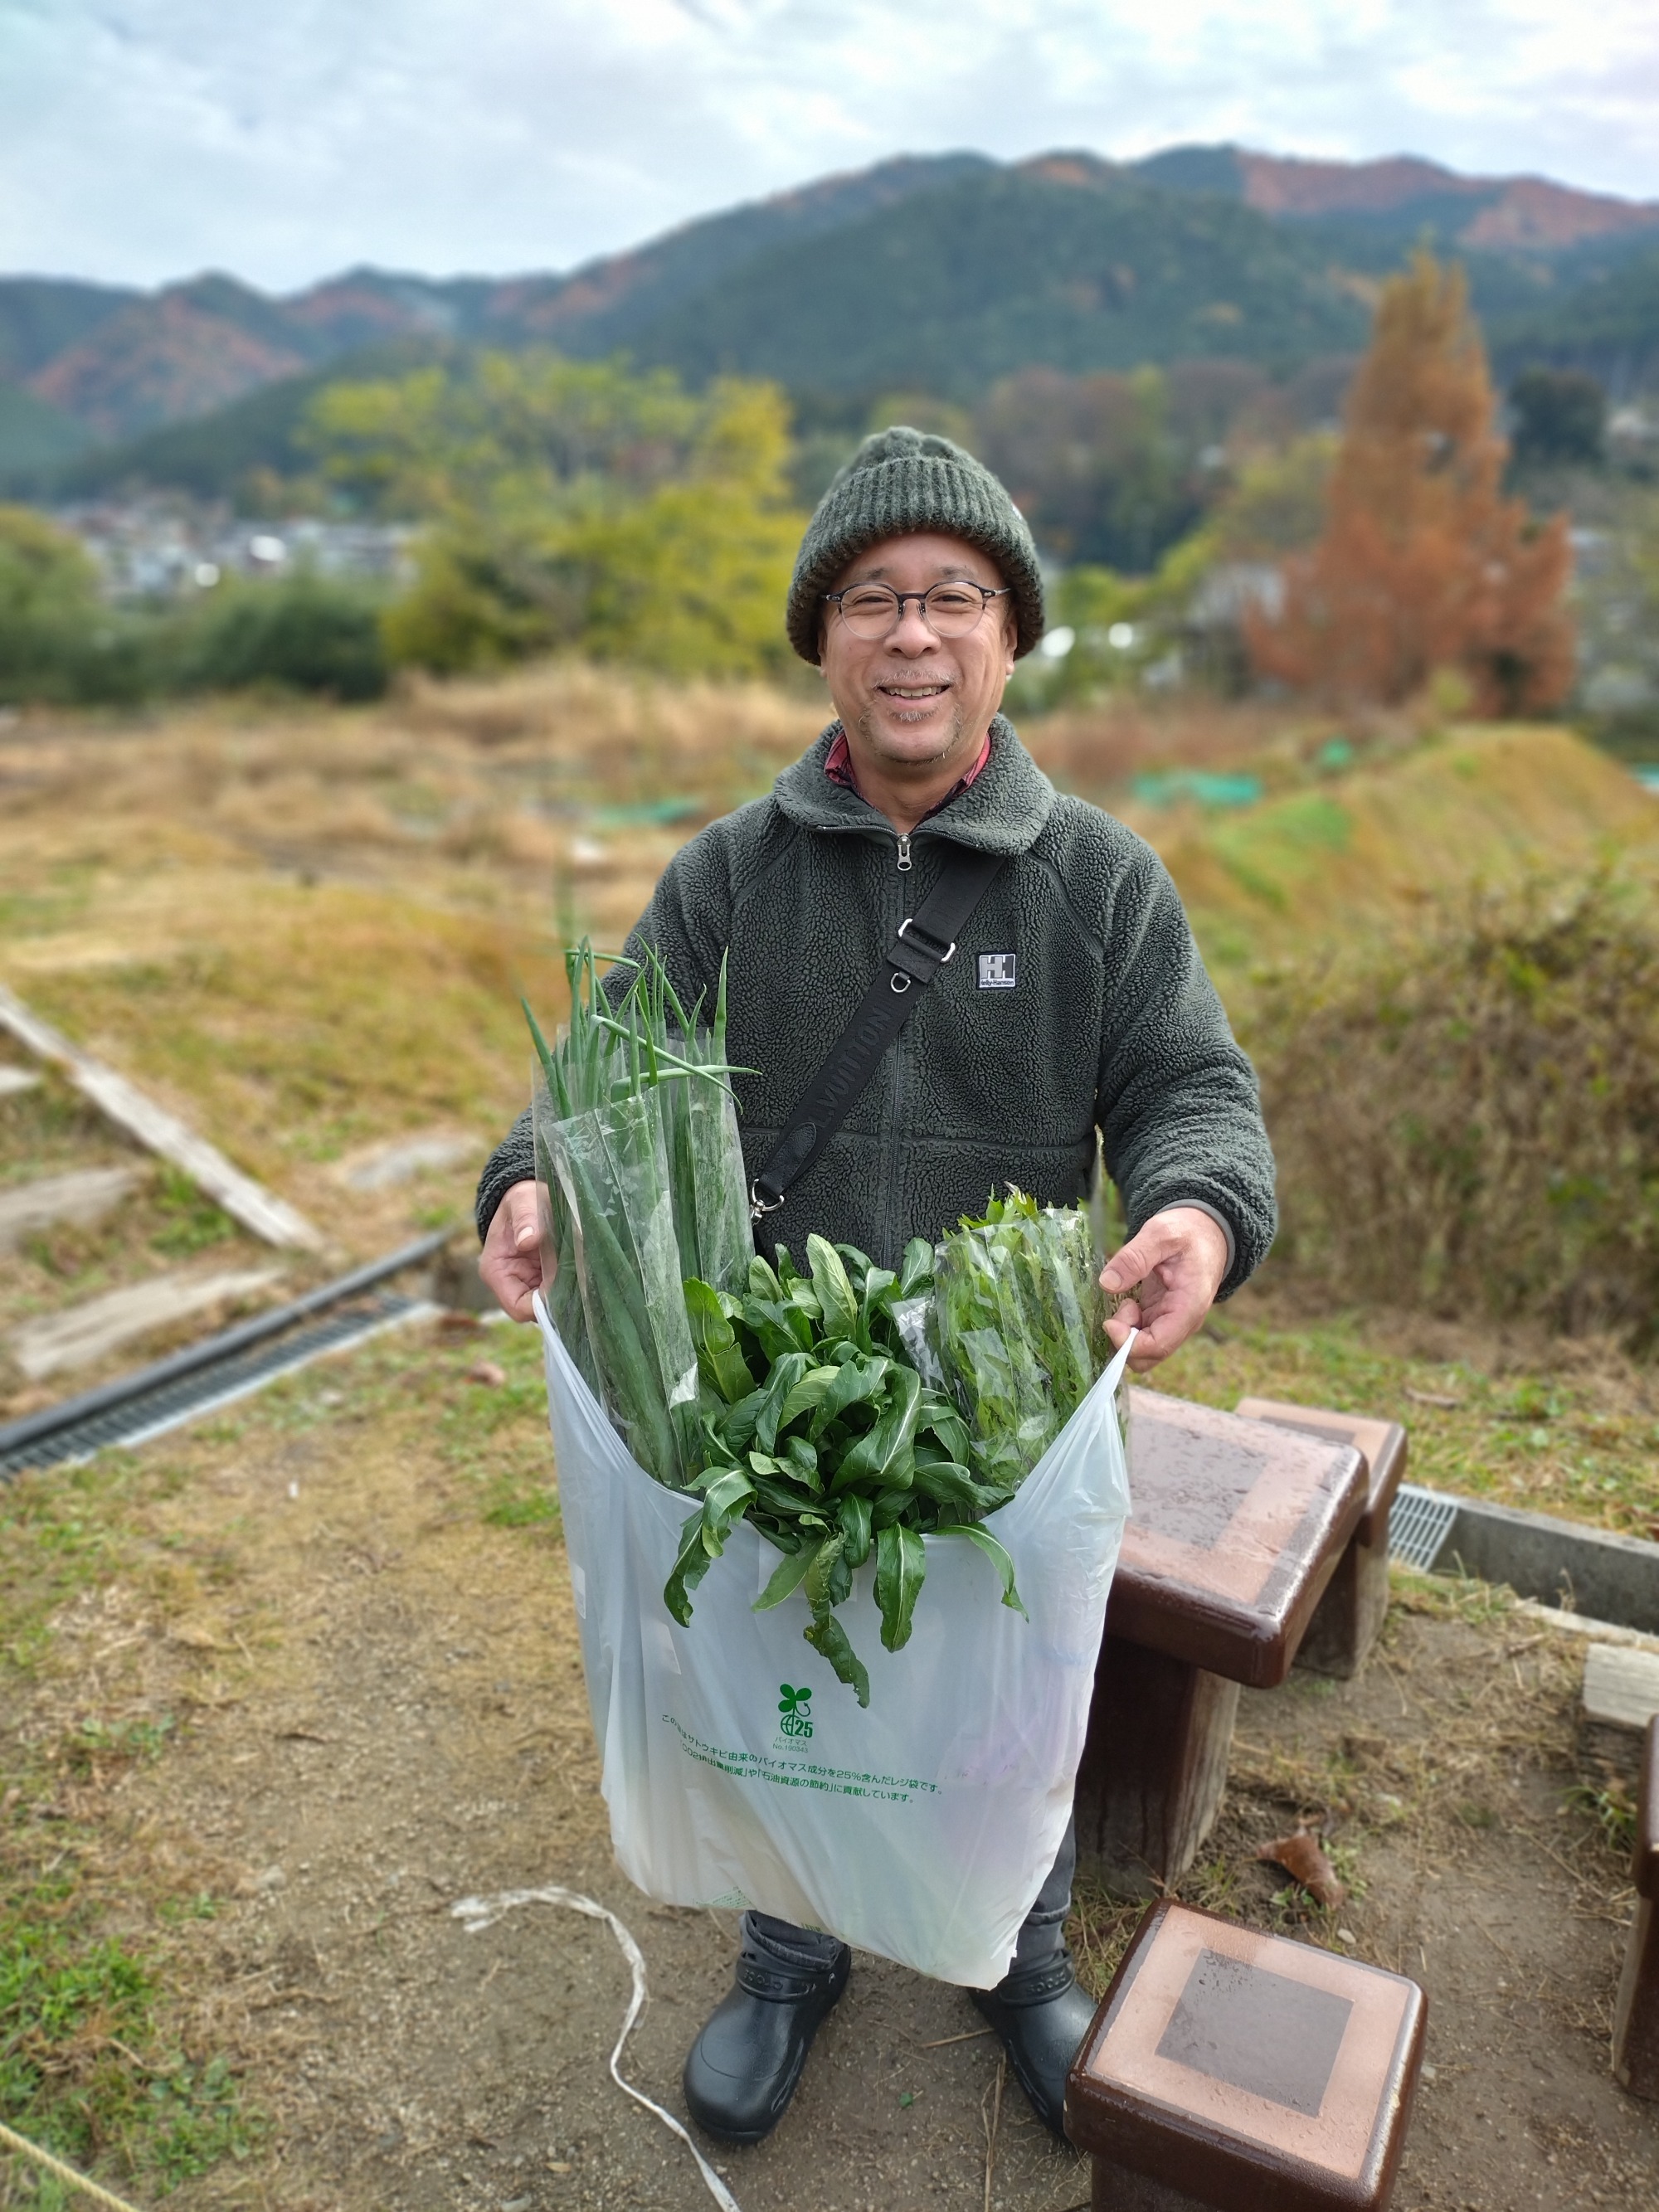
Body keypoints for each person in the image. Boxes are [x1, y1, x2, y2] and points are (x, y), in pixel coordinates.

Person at [474, 426, 1277, 2147]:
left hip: (1005, 1389)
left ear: (1008, 636)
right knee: (792, 1661)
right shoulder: (728, 876)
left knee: (1014, 1664)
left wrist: (1195, 1216)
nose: (912, 632)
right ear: (824, 640)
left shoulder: (1098, 880)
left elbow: (1193, 1088)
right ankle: (790, 1944)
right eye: (871, 598)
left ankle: (1018, 1948)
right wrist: (534, 1173)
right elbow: (599, 1067)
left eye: (952, 596)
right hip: (782, 1388)